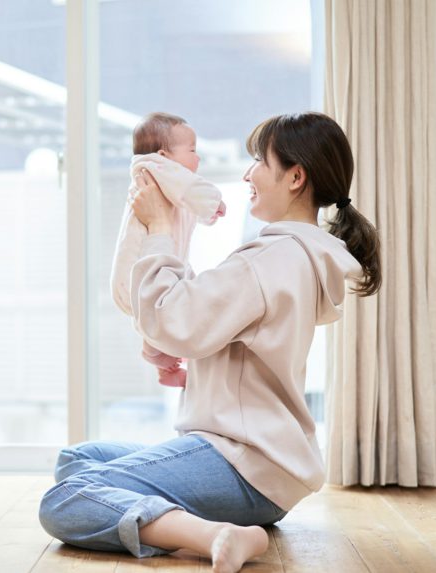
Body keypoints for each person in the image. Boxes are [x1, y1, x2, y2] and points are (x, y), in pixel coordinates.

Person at [38, 112, 382, 573]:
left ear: (296, 177)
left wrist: (160, 228)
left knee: (65, 499)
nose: (248, 174)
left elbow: (171, 320)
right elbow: (212, 330)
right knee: (77, 460)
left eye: (260, 161)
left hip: (243, 465)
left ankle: (215, 533)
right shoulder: (296, 255)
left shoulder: (272, 258)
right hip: (264, 469)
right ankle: (198, 517)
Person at [110, 112, 227, 388]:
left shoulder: (164, 181)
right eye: (192, 150)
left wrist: (204, 214)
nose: (197, 158)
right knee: (166, 308)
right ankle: (158, 353)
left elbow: (186, 205)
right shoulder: (155, 169)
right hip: (139, 275)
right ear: (164, 155)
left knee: (171, 305)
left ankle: (162, 363)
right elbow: (192, 190)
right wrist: (214, 202)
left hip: (148, 273)